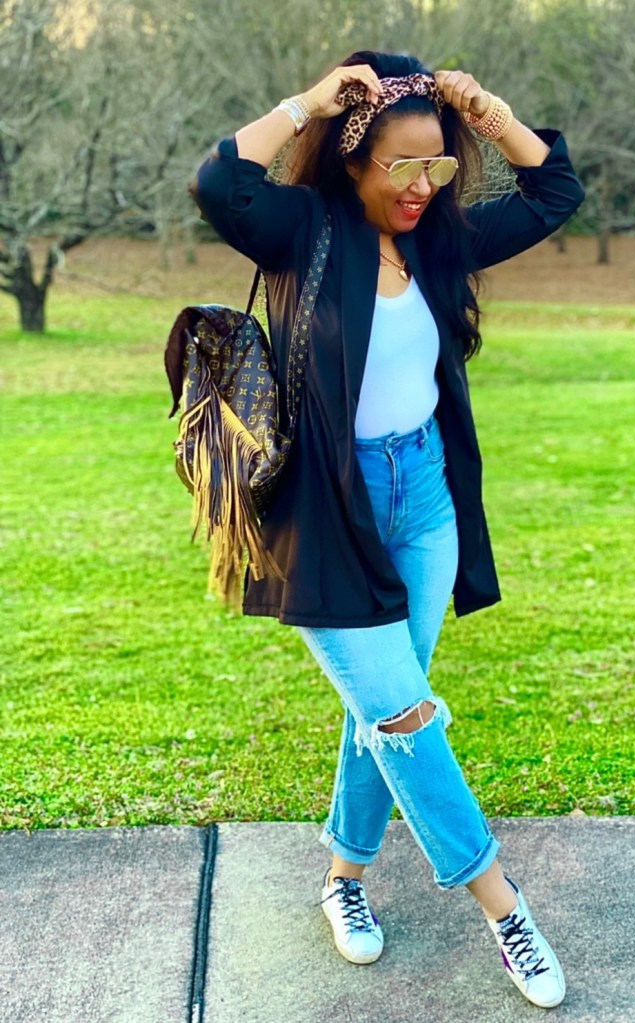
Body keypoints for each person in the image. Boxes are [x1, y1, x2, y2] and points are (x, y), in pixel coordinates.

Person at [191, 50, 584, 1010]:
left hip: (426, 500)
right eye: (402, 166)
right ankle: (504, 908)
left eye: (437, 166)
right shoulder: (304, 231)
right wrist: (306, 102)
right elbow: (219, 181)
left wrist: (485, 113)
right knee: (405, 716)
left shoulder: (440, 239)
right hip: (329, 512)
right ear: (353, 159)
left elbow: (554, 191)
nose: (421, 187)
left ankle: (344, 878)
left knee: (384, 706)